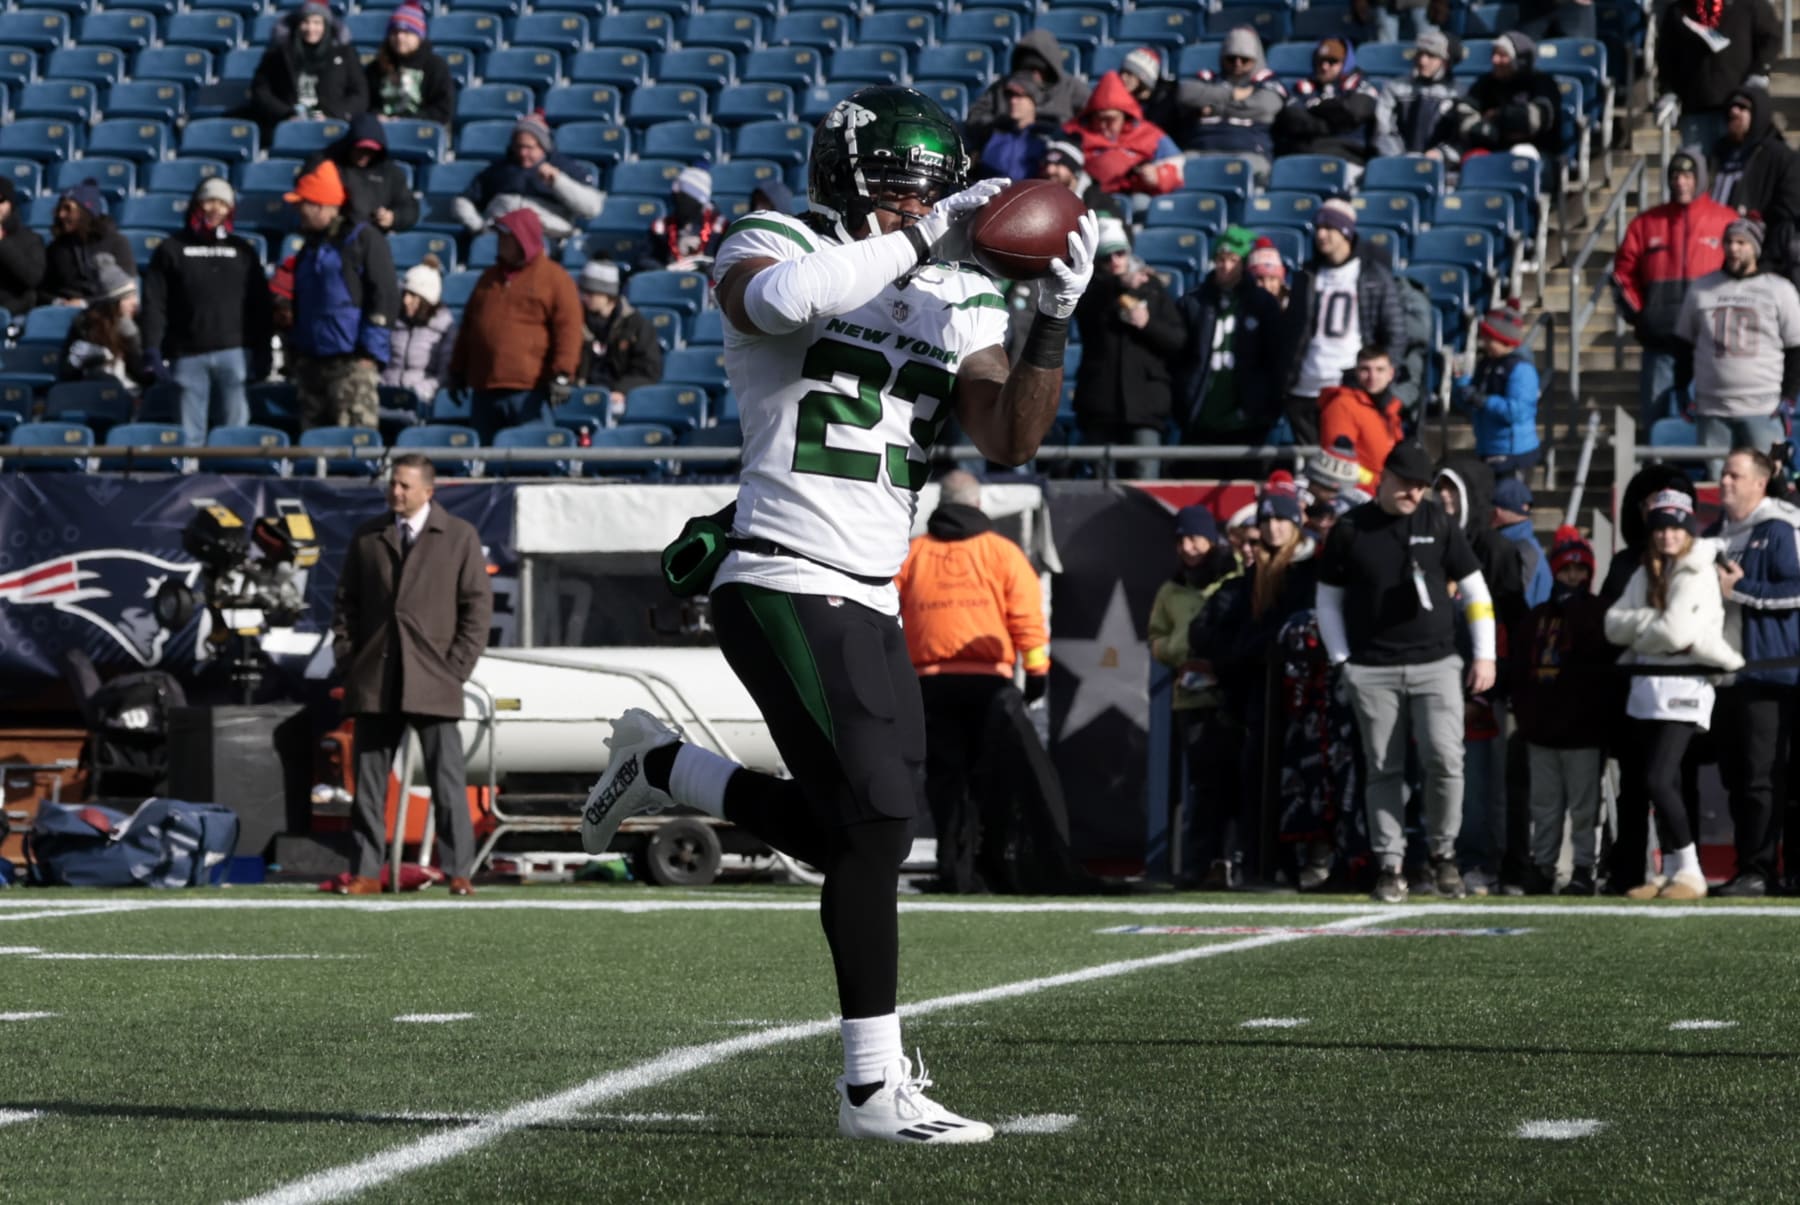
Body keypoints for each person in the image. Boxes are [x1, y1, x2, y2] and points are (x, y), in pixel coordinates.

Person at [578, 85, 1096, 1143]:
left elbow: (1007, 436)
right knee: (872, 821)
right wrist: (929, 236)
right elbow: (775, 304)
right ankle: (869, 1086)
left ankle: (669, 767)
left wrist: (1049, 324)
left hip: (869, 585)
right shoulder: (775, 238)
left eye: (933, 189)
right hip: (777, 566)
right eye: (903, 186)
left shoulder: (960, 290)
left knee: (867, 832)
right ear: (850, 178)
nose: (922, 202)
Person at [1316, 441, 1496, 903]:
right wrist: (1342, 661)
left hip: (1436, 662)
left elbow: (1475, 588)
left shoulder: (1438, 522)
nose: (1415, 494)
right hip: (1373, 668)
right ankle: (1390, 866)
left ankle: (1443, 855)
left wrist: (1484, 654)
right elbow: (1328, 598)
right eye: (1408, 484)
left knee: (1445, 760)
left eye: (1423, 486)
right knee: (1383, 768)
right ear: (1385, 476)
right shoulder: (1351, 529)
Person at [329, 454, 493, 897]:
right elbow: (345, 606)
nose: (395, 492)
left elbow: (477, 609)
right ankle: (365, 871)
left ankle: (458, 870)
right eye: (392, 484)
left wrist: (455, 668)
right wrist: (350, 661)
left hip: (434, 679)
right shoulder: (368, 537)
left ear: (428, 491)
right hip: (374, 678)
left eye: (404, 485)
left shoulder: (459, 537)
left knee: (447, 781)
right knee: (368, 783)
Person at [894, 471, 1058, 892]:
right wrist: (1036, 671)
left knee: (945, 781)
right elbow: (1026, 616)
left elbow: (884, 612)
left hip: (929, 685)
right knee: (989, 779)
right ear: (979, 504)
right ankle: (989, 867)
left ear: (940, 503)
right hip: (990, 687)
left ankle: (953, 869)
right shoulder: (1002, 553)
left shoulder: (913, 554)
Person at [1605, 489, 1744, 900]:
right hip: (1649, 688)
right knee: (1660, 784)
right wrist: (1655, 625)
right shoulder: (1647, 570)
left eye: (1675, 528)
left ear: (1688, 530)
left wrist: (1645, 633)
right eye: (1660, 528)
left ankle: (1691, 870)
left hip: (1687, 686)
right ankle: (1670, 871)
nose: (1667, 536)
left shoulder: (1698, 568)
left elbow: (1679, 633)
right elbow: (1612, 624)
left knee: (1660, 778)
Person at [1189, 472, 1320, 887]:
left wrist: (1257, 645)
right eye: (1266, 521)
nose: (1272, 528)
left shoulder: (1308, 572)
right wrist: (1244, 653)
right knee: (1253, 781)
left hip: (1303, 697)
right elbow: (1210, 630)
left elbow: (1294, 627)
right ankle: (1260, 862)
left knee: (1300, 779)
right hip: (1257, 699)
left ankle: (1305, 861)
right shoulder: (1248, 581)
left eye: (1280, 519)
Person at [1702, 448, 1800, 896]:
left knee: (1764, 777)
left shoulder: (1779, 529)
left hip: (1771, 675)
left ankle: (1762, 871)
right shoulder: (1716, 534)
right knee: (1738, 777)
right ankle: (1751, 867)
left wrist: (1741, 589)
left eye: (1734, 475)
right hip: (1726, 676)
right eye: (1723, 474)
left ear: (1760, 483)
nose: (1724, 481)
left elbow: (1795, 591)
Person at [1511, 525, 1613, 895]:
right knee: (1545, 807)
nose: (1572, 577)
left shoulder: (1600, 612)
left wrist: (1578, 614)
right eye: (1566, 570)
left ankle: (1584, 868)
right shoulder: (1536, 618)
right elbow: (1521, 671)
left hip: (1583, 732)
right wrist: (1524, 717)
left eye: (1579, 570)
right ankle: (1543, 866)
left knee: (1585, 810)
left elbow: (1601, 664)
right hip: (1541, 730)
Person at [140, 178, 275, 445]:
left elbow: (260, 305)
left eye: (223, 203)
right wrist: (152, 348)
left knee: (234, 436)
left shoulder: (242, 251)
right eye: (210, 201)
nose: (215, 209)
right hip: (186, 354)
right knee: (188, 438)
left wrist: (263, 350)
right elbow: (155, 303)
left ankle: (234, 483)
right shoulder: (171, 249)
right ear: (197, 204)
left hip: (235, 353)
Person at [1148, 503, 1242, 882]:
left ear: (1211, 539)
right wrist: (1182, 648)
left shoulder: (1234, 579)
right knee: (1202, 786)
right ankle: (1198, 864)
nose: (1188, 547)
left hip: (1233, 694)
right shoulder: (1170, 590)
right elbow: (1156, 638)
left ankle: (1236, 860)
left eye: (1195, 538)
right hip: (1191, 698)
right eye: (1182, 539)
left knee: (1237, 782)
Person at [1612, 148, 1736, 426]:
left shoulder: (1726, 221)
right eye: (1676, 175)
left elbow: (1743, 276)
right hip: (1661, 344)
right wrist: (1642, 315)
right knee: (1658, 422)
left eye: (1689, 176)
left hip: (1711, 345)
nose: (1681, 182)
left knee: (1715, 423)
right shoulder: (1645, 224)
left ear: (1701, 179)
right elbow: (1622, 275)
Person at [1675, 213, 1800, 473]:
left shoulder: (1780, 290)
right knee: (1719, 483)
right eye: (1729, 242)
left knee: (1768, 478)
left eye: (1741, 243)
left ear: (1754, 247)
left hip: (1762, 409)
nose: (1733, 248)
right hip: (1712, 408)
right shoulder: (1702, 289)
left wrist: (1789, 395)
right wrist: (1681, 390)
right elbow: (1684, 346)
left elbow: (1795, 348)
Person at [448, 209, 583, 440]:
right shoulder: (488, 278)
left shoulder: (555, 279)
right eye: (500, 237)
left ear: (524, 239)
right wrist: (457, 371)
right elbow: (469, 328)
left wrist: (562, 373)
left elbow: (568, 330)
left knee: (530, 461)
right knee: (486, 465)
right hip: (485, 389)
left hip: (530, 391)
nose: (500, 243)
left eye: (507, 237)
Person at [1284, 199, 1406, 445]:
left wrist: (1374, 379)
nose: (1321, 234)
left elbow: (1395, 333)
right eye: (1318, 227)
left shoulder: (1373, 275)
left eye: (1328, 227)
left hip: (1349, 388)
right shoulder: (1306, 275)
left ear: (1346, 232)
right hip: (1304, 389)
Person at [286, 160, 397, 431]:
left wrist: (368, 354)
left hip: (350, 364)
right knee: (313, 448)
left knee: (352, 444)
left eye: (304, 203)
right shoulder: (310, 247)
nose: (298, 209)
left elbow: (384, 295)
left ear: (322, 204)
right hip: (312, 363)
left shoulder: (363, 239)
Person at [1073, 218, 1184, 476]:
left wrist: (1148, 325)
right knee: (1100, 486)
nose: (1115, 261)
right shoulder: (1089, 291)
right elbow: (1087, 312)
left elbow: (1177, 341)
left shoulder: (1152, 288)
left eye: (1120, 253)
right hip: (1100, 406)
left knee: (1145, 478)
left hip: (1145, 405)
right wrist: (1120, 285)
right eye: (1107, 256)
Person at [1176, 224, 1285, 446]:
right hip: (1202, 415)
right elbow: (1179, 354)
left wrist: (1263, 404)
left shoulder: (1263, 304)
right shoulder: (1193, 302)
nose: (1226, 266)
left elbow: (1274, 358)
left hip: (1247, 420)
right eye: (1221, 259)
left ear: (1243, 264)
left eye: (1233, 260)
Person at [454, 112, 605, 245]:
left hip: (546, 237)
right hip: (500, 237)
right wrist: (479, 227)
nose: (522, 153)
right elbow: (463, 201)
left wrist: (558, 182)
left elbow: (592, 207)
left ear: (543, 146)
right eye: (518, 147)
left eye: (529, 147)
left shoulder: (565, 168)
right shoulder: (500, 169)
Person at [1707, 86, 1800, 288]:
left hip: (1757, 261)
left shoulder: (1779, 156)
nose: (1734, 112)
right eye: (1732, 107)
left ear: (1758, 114)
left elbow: (1786, 212)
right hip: (1712, 249)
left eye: (1742, 108)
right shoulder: (1718, 152)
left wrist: (1764, 259)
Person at [1657, 0, 1779, 153]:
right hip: (1695, 111)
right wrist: (1668, 91)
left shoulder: (1750, 5)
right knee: (1696, 169)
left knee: (1736, 168)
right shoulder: (1680, 9)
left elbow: (1770, 38)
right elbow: (1666, 56)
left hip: (1737, 108)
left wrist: (1759, 72)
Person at [1178, 27, 1288, 183]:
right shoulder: (1208, 78)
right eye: (1231, 58)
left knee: (1244, 170)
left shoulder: (1267, 82)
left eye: (1245, 59)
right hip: (1200, 150)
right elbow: (1185, 94)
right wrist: (1233, 95)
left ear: (1256, 60)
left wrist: (1215, 107)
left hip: (1248, 152)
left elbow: (1265, 107)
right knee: (1176, 170)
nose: (1237, 64)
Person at [249, 0, 368, 139]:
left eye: (317, 23)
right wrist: (287, 114)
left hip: (332, 128)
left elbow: (360, 94)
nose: (311, 29)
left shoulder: (345, 53)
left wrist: (332, 115)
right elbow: (261, 90)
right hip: (288, 128)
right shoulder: (279, 54)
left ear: (326, 25)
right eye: (305, 22)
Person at [1452, 301, 1542, 477]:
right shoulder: (1486, 364)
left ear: (1503, 339)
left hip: (1514, 454)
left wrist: (1482, 400)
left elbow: (1517, 411)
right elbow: (1471, 404)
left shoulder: (1521, 369)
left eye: (1489, 337)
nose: (1484, 342)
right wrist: (1462, 387)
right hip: (1487, 448)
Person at [1064, 72, 1184, 198]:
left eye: (1111, 119)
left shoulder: (1149, 134)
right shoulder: (1074, 133)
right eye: (1099, 119)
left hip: (1135, 196)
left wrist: (1158, 176)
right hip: (1089, 196)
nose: (1104, 125)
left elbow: (1176, 165)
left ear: (1124, 115)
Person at [965, 28, 1091, 146]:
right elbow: (975, 119)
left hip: (1055, 153)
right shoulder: (1003, 87)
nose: (1033, 77)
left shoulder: (1071, 88)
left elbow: (1092, 119)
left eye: (1039, 71)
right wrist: (1001, 125)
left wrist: (1062, 129)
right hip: (1008, 150)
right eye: (1028, 70)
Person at [1453, 31, 1564, 162]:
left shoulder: (1542, 83)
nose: (1495, 60)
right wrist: (1496, 131)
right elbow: (1465, 114)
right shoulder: (1486, 82)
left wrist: (1496, 115)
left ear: (1519, 60)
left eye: (1502, 55)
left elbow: (1532, 120)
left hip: (1538, 154)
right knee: (1472, 160)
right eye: (1494, 54)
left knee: (1521, 154)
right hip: (1492, 150)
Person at [303, 114, 420, 236]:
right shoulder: (328, 162)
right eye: (360, 149)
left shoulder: (389, 172)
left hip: (370, 240)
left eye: (370, 151)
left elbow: (410, 208)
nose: (365, 155)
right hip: (332, 235)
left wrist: (393, 217)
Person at [1273, 38, 1380, 163]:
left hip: (1347, 157)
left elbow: (1352, 112)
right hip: (1304, 155)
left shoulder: (1361, 85)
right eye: (1320, 61)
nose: (1324, 67)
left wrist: (1314, 109)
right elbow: (1291, 117)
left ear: (1345, 63)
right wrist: (1331, 124)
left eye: (1332, 61)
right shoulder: (1303, 87)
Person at [575, 260, 662, 410]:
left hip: (619, 397)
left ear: (608, 294)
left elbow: (648, 370)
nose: (584, 297)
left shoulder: (636, 325)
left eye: (590, 292)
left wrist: (622, 390)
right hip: (581, 393)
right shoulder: (575, 321)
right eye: (582, 291)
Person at [1373, 29, 1466, 162]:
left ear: (1445, 61)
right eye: (1420, 54)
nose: (1422, 61)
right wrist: (1399, 158)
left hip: (1443, 167)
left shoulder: (1459, 93)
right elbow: (1383, 129)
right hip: (1398, 163)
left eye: (1431, 55)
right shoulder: (1395, 87)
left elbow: (1462, 138)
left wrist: (1441, 155)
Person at [40, 181, 135, 307]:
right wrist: (58, 302)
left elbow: (125, 291)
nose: (61, 215)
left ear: (85, 211)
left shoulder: (117, 243)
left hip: (106, 312)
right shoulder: (56, 248)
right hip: (63, 311)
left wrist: (85, 303)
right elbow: (42, 290)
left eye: (68, 209)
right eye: (60, 209)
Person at [1318, 346, 1405, 483]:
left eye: (1380, 369)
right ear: (1356, 372)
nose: (1372, 377)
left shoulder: (1390, 409)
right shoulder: (1343, 406)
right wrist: (1376, 483)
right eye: (1365, 369)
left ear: (1391, 374)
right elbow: (1339, 462)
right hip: (1359, 493)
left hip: (1386, 490)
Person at [60, 260, 149, 389]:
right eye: (128, 297)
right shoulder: (84, 324)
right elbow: (66, 374)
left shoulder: (140, 321)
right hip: (92, 392)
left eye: (135, 295)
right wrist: (76, 362)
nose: (135, 302)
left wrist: (132, 338)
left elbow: (143, 375)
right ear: (112, 304)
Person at [382, 254, 456, 409]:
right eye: (405, 294)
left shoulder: (444, 329)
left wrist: (417, 391)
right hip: (386, 395)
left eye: (413, 295)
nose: (406, 300)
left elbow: (444, 376)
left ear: (426, 300)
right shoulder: (394, 322)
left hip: (421, 401)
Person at [364, 3, 455, 126]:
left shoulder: (435, 66)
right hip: (381, 130)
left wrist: (408, 120)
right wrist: (378, 116)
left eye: (407, 32)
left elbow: (442, 110)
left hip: (419, 131)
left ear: (419, 36)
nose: (400, 37)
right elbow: (366, 104)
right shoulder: (376, 67)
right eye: (395, 32)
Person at [644, 164, 729, 271]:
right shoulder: (660, 229)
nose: (679, 201)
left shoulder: (720, 228)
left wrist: (703, 264)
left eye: (686, 198)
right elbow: (644, 260)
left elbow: (729, 264)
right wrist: (667, 268)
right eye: (679, 197)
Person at [973, 75, 1054, 182]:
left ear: (1034, 102)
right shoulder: (991, 132)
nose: (1012, 101)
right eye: (1009, 95)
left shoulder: (1048, 139)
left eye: (1019, 96)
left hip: (1031, 196)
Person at [1036, 139, 1119, 220]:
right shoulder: (1037, 197)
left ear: (1074, 170)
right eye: (1047, 164)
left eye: (1058, 164)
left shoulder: (1096, 199)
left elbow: (1111, 230)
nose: (1049, 170)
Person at [0, 179, 45, 317]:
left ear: (11, 204)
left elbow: (32, 278)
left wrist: (2, 243)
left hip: (13, 313)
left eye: (1, 201)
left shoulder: (30, 239)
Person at [1118, 46, 1180, 134]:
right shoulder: (1121, 98)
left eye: (1129, 74)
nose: (1123, 77)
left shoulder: (1166, 100)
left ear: (1144, 77)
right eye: (1122, 72)